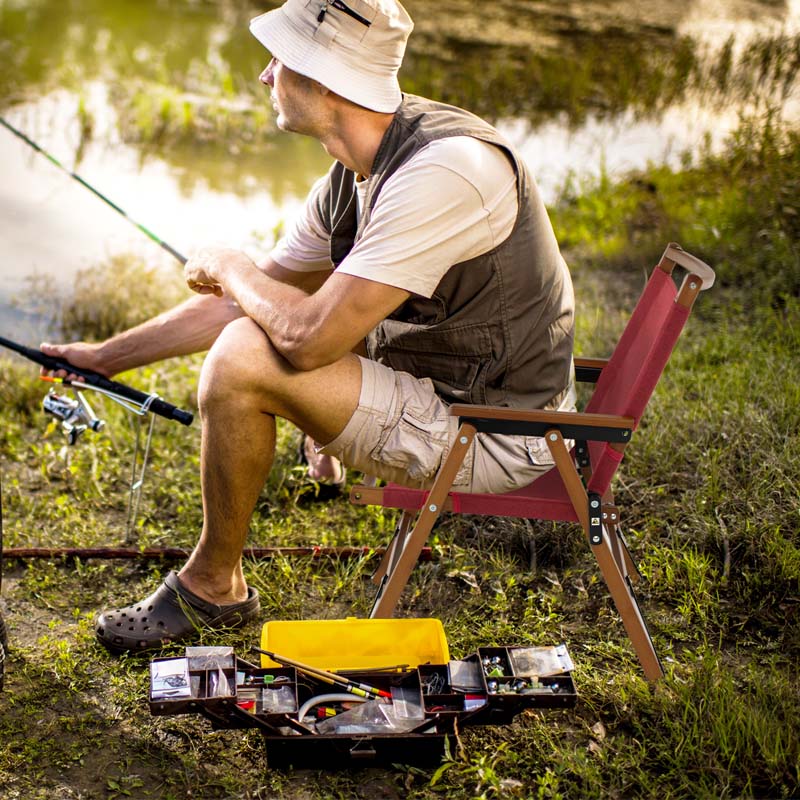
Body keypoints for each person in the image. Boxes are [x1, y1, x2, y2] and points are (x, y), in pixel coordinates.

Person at [42, 0, 576, 654]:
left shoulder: (445, 173)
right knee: (258, 329)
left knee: (243, 360)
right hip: (454, 398)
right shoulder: (359, 166)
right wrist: (104, 358)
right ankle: (223, 572)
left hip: (497, 432)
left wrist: (232, 267)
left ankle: (212, 588)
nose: (265, 75)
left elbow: (306, 337)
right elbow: (252, 303)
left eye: (280, 61)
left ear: (326, 81)